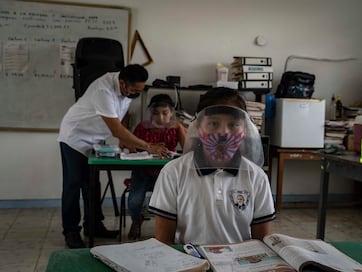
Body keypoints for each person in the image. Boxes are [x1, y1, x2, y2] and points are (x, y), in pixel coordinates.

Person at [57, 64, 170, 249]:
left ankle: (94, 226)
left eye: (139, 91)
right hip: (75, 137)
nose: (135, 94)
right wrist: (148, 146)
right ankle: (71, 232)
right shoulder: (103, 90)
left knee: (92, 184)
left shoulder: (129, 89)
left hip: (96, 139)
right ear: (122, 83)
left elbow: (122, 116)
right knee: (73, 184)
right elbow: (115, 128)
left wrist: (125, 140)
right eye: (134, 90)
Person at [148, 87, 275, 245]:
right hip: (190, 264)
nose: (224, 133)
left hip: (239, 265)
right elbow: (164, 243)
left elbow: (261, 242)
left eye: (234, 124)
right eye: (213, 124)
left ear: (244, 130)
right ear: (199, 128)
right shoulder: (173, 173)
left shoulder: (256, 177)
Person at [127, 94, 187, 240]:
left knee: (175, 202)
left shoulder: (176, 127)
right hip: (143, 173)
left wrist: (180, 129)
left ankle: (170, 229)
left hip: (166, 174)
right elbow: (131, 147)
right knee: (134, 202)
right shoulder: (143, 127)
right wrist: (148, 149)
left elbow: (187, 150)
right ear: (150, 113)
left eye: (165, 113)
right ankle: (136, 220)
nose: (160, 118)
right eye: (155, 113)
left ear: (171, 113)